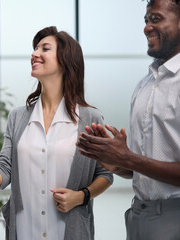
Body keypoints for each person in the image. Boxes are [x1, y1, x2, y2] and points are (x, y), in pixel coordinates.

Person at [0, 26, 113, 240]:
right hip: (25, 230)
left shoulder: (90, 118)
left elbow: (105, 174)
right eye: (35, 48)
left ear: (65, 60)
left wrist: (80, 197)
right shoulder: (18, 117)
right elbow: (4, 173)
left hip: (69, 232)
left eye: (44, 48)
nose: (34, 53)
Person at [76, 0, 180, 239]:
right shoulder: (144, 85)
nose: (146, 27)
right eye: (146, 20)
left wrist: (128, 157)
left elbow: (136, 160)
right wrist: (113, 161)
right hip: (138, 216)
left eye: (156, 19)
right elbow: (138, 169)